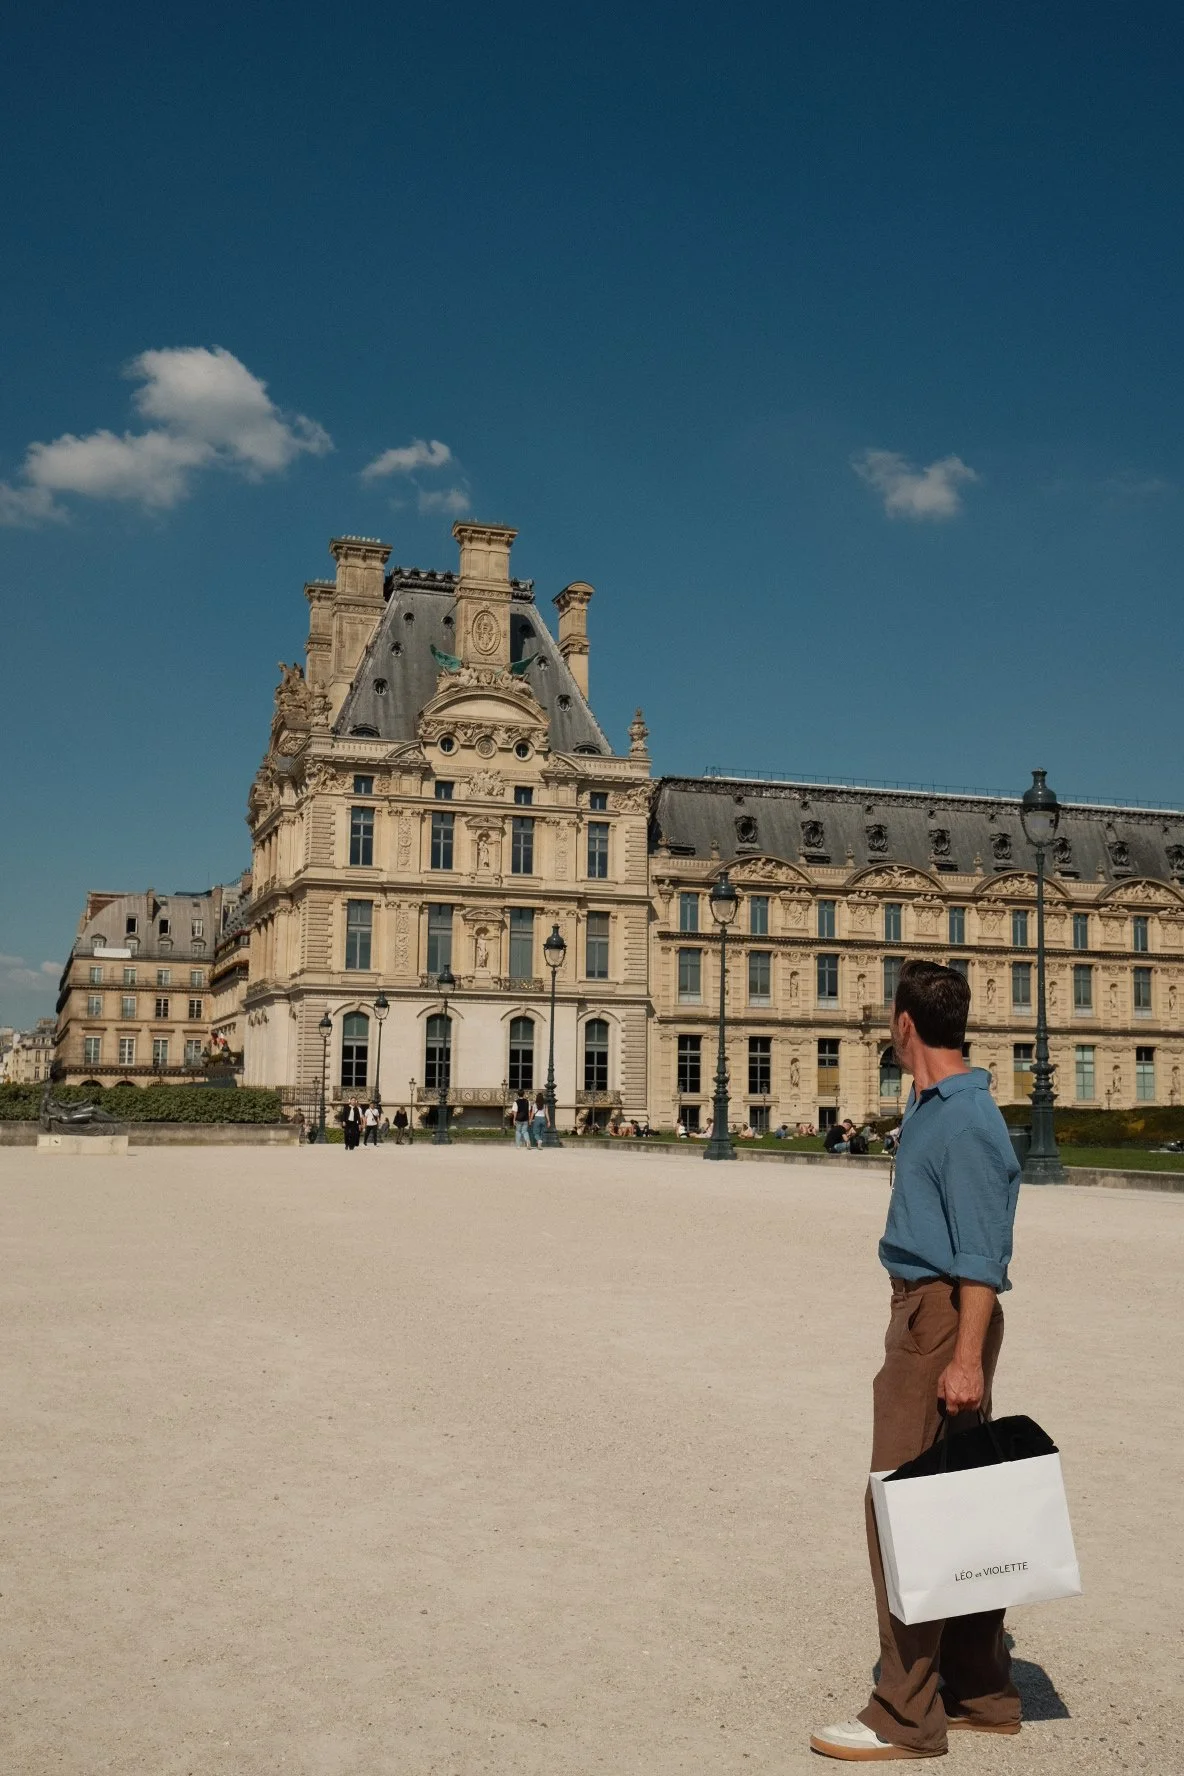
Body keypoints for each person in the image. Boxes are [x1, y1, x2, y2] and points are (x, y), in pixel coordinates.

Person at [810, 960, 1022, 1761]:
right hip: (932, 1311)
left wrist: (962, 1358)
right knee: (958, 1505)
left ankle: (903, 1715)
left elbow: (981, 1260)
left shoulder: (965, 1118)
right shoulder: (936, 1102)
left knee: (900, 1508)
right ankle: (980, 1688)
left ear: (904, 1025)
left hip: (940, 1320)